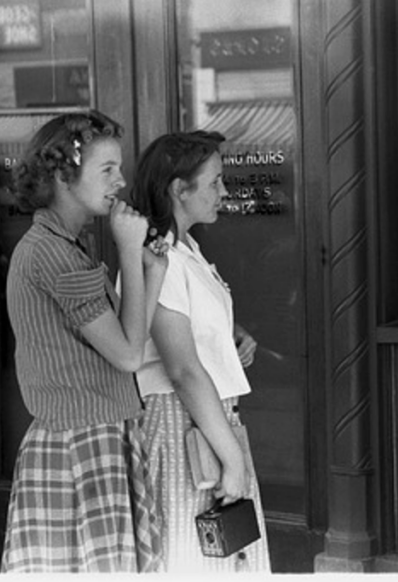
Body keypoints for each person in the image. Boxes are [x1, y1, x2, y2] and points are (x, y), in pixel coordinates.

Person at [1, 110, 167, 572]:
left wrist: (151, 274)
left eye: (120, 168)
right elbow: (130, 354)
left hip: (94, 435)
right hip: (79, 445)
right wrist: (129, 252)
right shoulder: (54, 254)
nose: (121, 181)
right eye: (107, 169)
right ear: (63, 175)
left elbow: (129, 340)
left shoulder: (67, 246)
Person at [130, 130, 271, 573]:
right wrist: (232, 458)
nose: (224, 192)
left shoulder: (185, 249)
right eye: (214, 183)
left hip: (207, 420)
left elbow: (190, 326)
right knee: (194, 558)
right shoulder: (159, 257)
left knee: (226, 556)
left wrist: (230, 332)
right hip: (181, 425)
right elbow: (182, 369)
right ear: (178, 189)